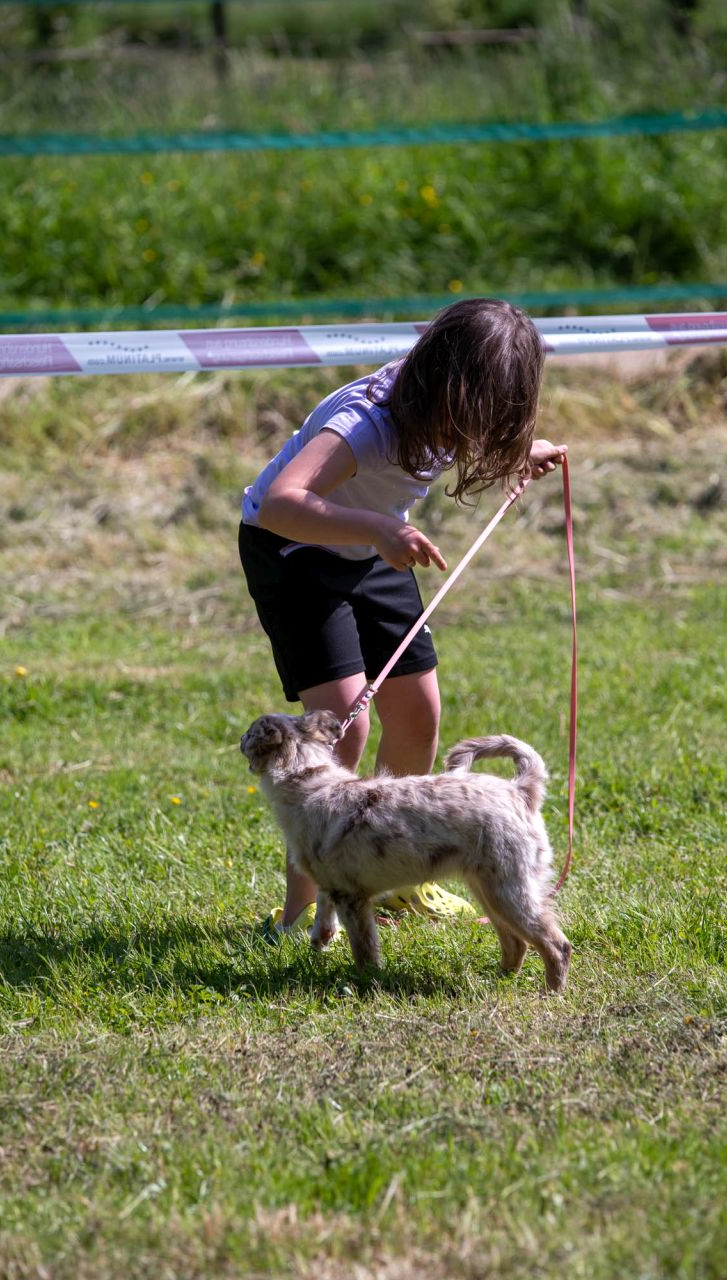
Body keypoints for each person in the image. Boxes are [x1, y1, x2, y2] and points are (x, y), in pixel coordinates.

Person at [238, 297, 566, 938]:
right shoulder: (364, 422)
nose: (476, 427)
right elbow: (281, 503)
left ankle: (398, 879)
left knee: (417, 711)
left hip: (375, 543)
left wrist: (523, 451)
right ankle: (303, 913)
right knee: (339, 732)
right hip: (296, 550)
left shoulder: (444, 407)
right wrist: (377, 528)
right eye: (474, 413)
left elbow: (479, 431)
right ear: (441, 382)